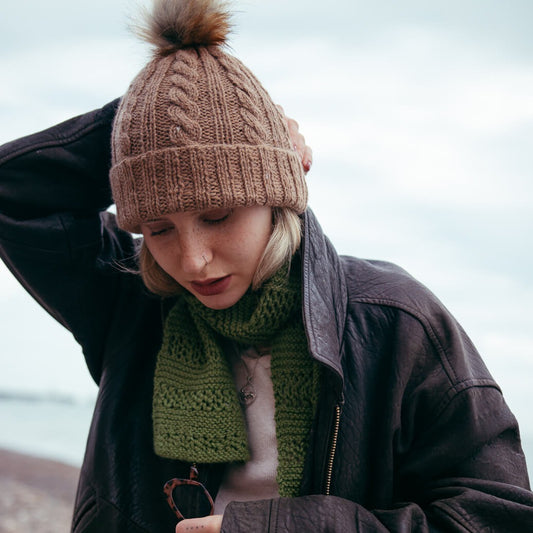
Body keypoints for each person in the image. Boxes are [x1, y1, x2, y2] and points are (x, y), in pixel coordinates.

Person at [1, 0, 532, 531]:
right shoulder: (131, 304)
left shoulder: (397, 323)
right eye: (159, 229)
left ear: (276, 196)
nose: (193, 260)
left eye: (218, 215)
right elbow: (12, 191)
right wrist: (152, 117)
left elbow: (496, 515)